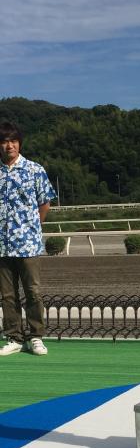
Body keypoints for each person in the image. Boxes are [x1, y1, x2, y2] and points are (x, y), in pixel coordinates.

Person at [0, 122, 56, 356]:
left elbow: (45, 203)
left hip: (28, 243)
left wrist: (33, 227)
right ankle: (14, 337)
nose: (9, 146)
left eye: (13, 141)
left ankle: (36, 336)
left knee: (33, 292)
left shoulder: (34, 169)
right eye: (4, 141)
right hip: (2, 244)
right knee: (7, 295)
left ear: (19, 144)